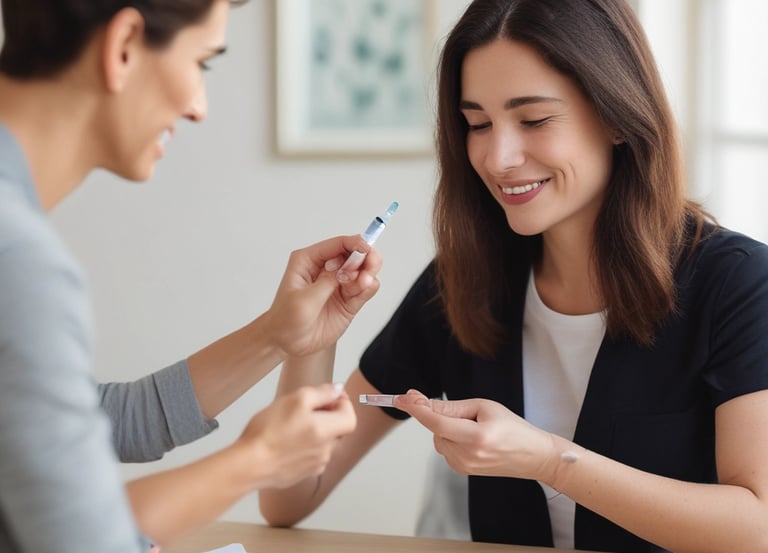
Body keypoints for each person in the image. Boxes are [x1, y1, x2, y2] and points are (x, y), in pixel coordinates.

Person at [258, 0, 768, 552]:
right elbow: (288, 499)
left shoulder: (739, 285)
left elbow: (758, 527)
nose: (497, 158)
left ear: (618, 116)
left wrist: (550, 461)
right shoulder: (463, 282)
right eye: (478, 124)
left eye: (534, 120)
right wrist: (311, 342)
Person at [0, 0, 384, 552]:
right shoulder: (20, 262)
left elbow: (100, 421)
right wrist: (259, 459)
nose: (200, 108)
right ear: (123, 46)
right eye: (202, 62)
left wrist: (278, 335)